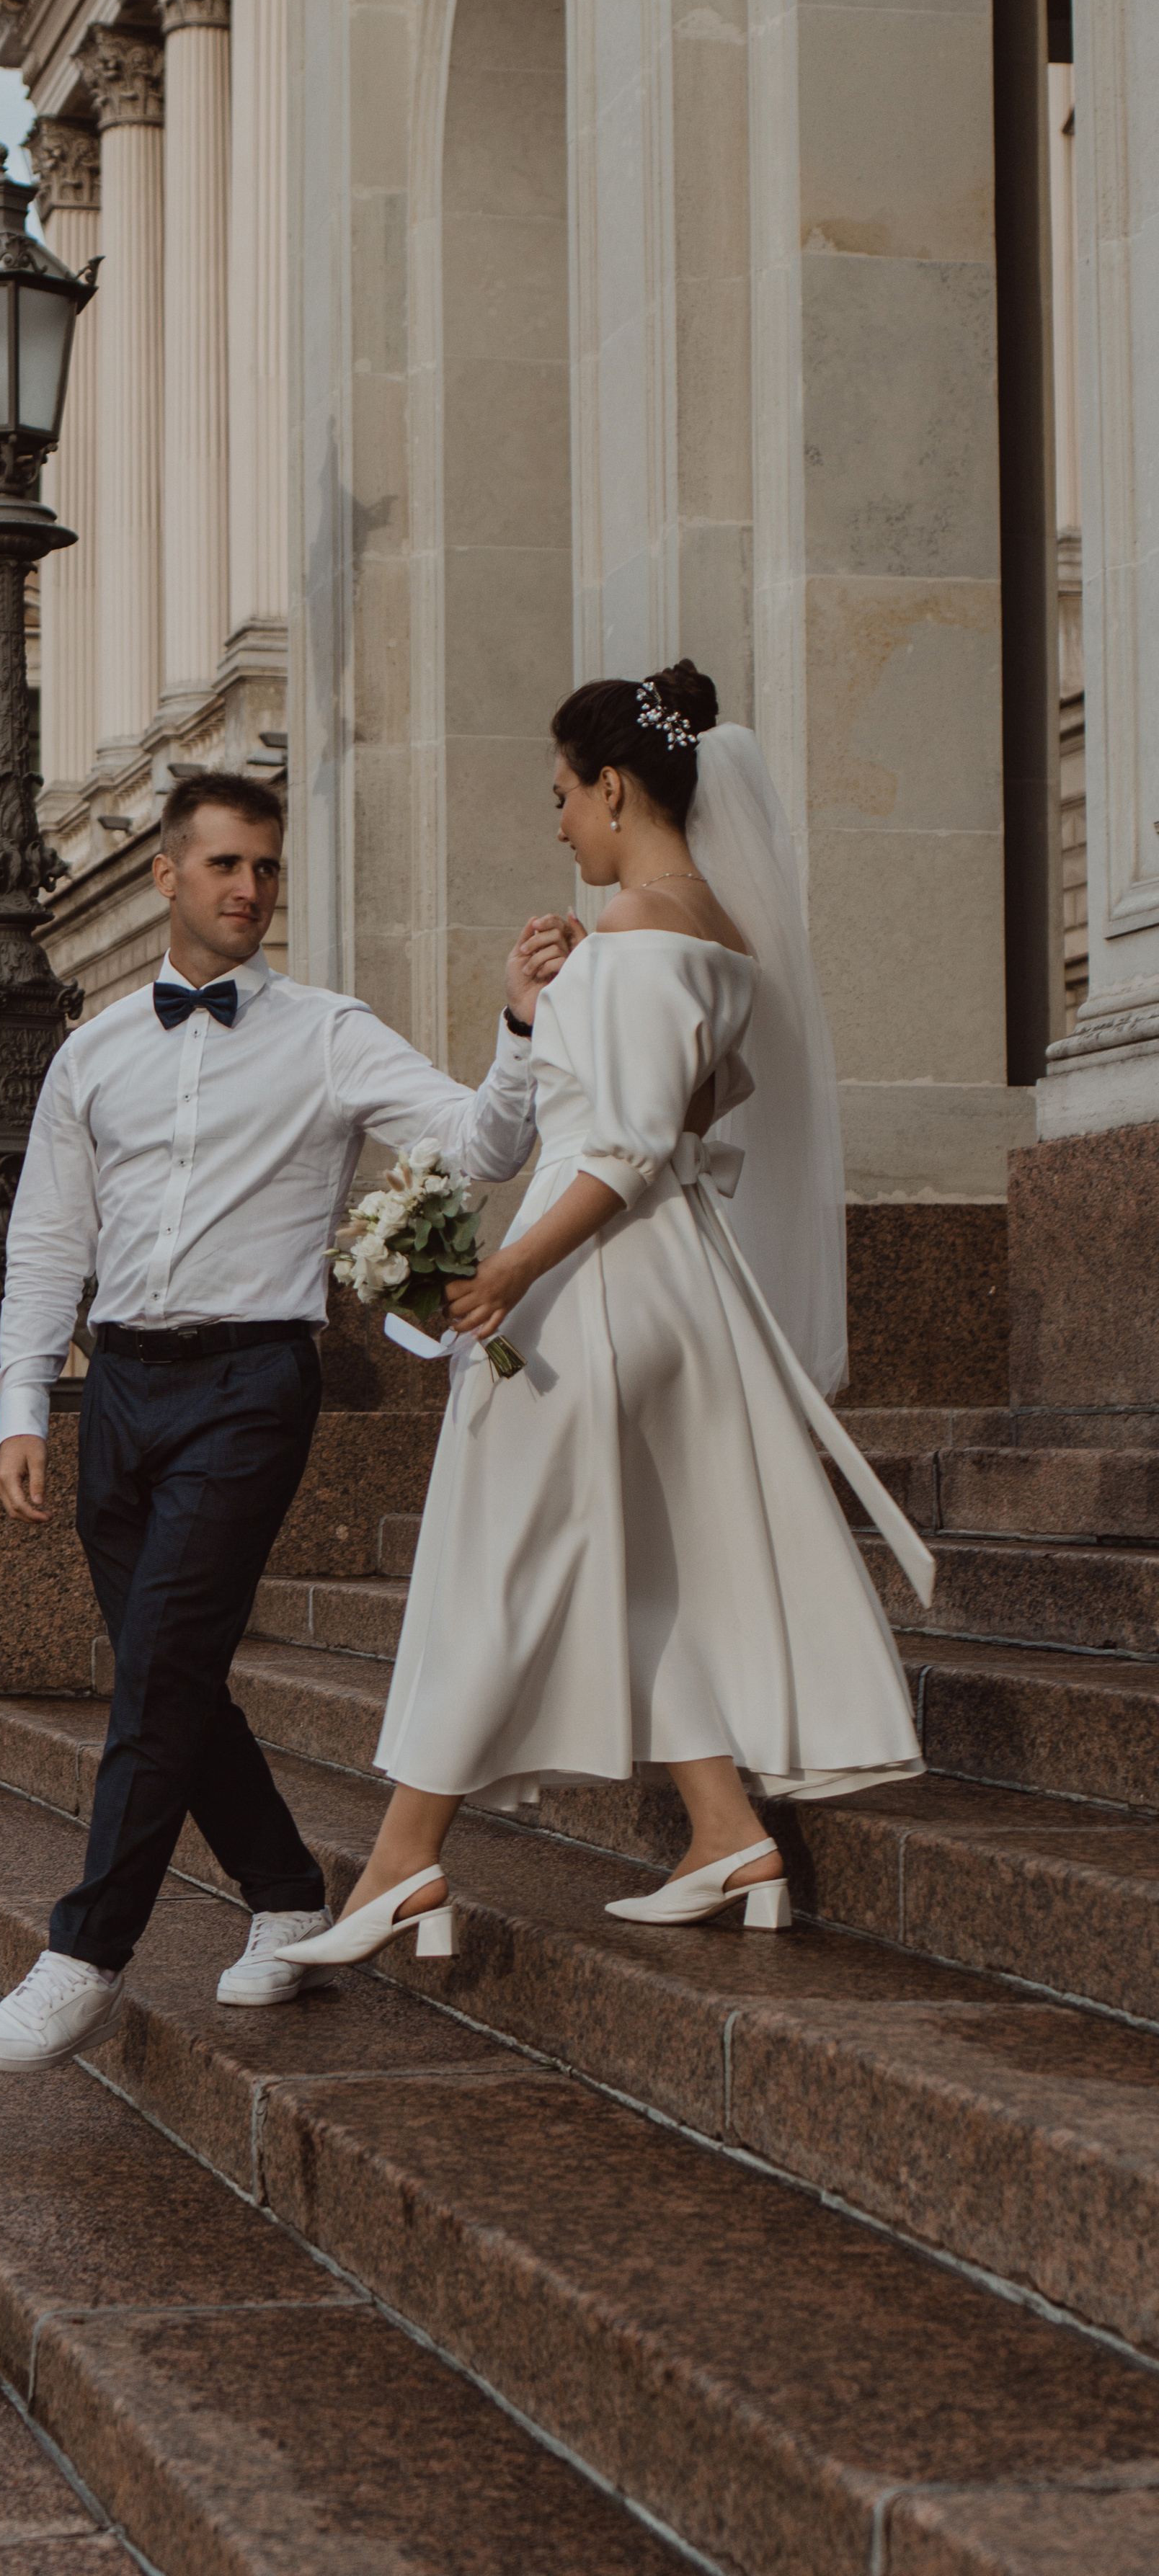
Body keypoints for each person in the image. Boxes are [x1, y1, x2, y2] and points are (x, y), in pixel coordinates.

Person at [283, 663, 934, 1976]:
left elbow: (626, 1147)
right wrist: (547, 1013)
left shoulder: (632, 935)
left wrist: (510, 1270)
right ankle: (725, 1831)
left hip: (595, 1292)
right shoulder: (716, 938)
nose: (558, 823)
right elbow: (695, 1109)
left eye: (564, 795)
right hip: (681, 1287)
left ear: (617, 787)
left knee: (494, 1561)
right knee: (638, 1562)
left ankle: (402, 1861)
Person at [0, 768, 546, 2072]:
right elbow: (48, 1238)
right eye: (225, 865)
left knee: (159, 1671)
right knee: (176, 1678)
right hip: (118, 1391)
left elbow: (478, 1143)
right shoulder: (92, 1050)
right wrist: (20, 1404)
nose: (250, 890)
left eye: (267, 868)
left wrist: (514, 1030)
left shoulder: (329, 1032)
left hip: (250, 1388)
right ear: (166, 875)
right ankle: (282, 1896)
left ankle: (84, 1957)